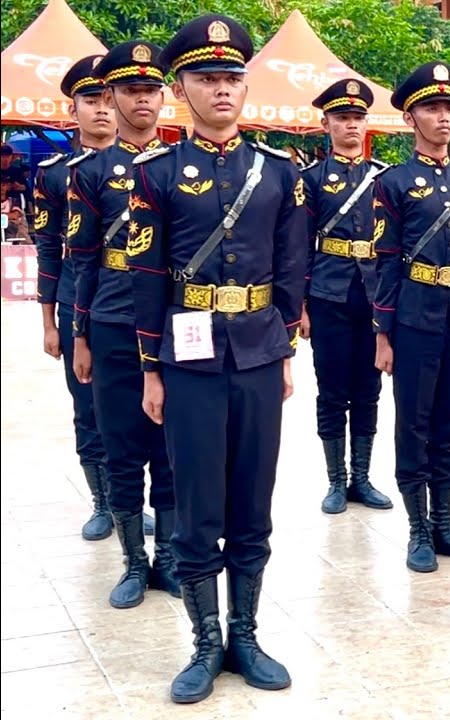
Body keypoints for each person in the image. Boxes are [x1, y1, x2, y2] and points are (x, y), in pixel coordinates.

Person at [128, 14, 305, 703]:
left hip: (259, 351)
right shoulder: (159, 173)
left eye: (232, 77)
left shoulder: (278, 170)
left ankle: (247, 634)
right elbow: (145, 274)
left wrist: (286, 347)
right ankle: (205, 643)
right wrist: (150, 366)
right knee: (199, 502)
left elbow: (291, 264)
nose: (222, 89)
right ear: (182, 88)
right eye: (207, 77)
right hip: (189, 358)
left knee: (252, 502)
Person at [65, 40, 178, 609]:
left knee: (173, 445)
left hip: (174, 326)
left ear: (164, 96)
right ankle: (135, 562)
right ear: (109, 95)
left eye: (150, 89)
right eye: (130, 90)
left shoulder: (184, 167)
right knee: (122, 443)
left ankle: (171, 561)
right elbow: (81, 258)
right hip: (111, 321)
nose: (141, 100)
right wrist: (78, 334)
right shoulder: (89, 173)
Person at [372, 63, 450, 572]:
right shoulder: (393, 183)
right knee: (414, 423)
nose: (443, 118)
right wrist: (383, 332)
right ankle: (418, 528)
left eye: (448, 108)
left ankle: (445, 521)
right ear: (411, 117)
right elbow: (384, 260)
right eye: (432, 109)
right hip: (415, 317)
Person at [301, 79, 394, 515]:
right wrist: (300, 304)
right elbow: (297, 245)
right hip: (329, 292)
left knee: (369, 387)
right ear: (326, 123)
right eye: (342, 118)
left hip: (375, 293)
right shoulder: (311, 180)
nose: (351, 126)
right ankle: (335, 480)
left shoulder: (385, 179)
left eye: (358, 118)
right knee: (332, 388)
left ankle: (362, 477)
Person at [34, 56, 115, 541]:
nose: (102, 110)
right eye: (91, 100)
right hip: (76, 303)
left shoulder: (148, 168)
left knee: (143, 406)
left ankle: (133, 500)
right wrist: (49, 322)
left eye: (109, 99)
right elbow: (48, 249)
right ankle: (103, 503)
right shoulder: (53, 175)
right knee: (87, 404)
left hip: (135, 302)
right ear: (74, 109)